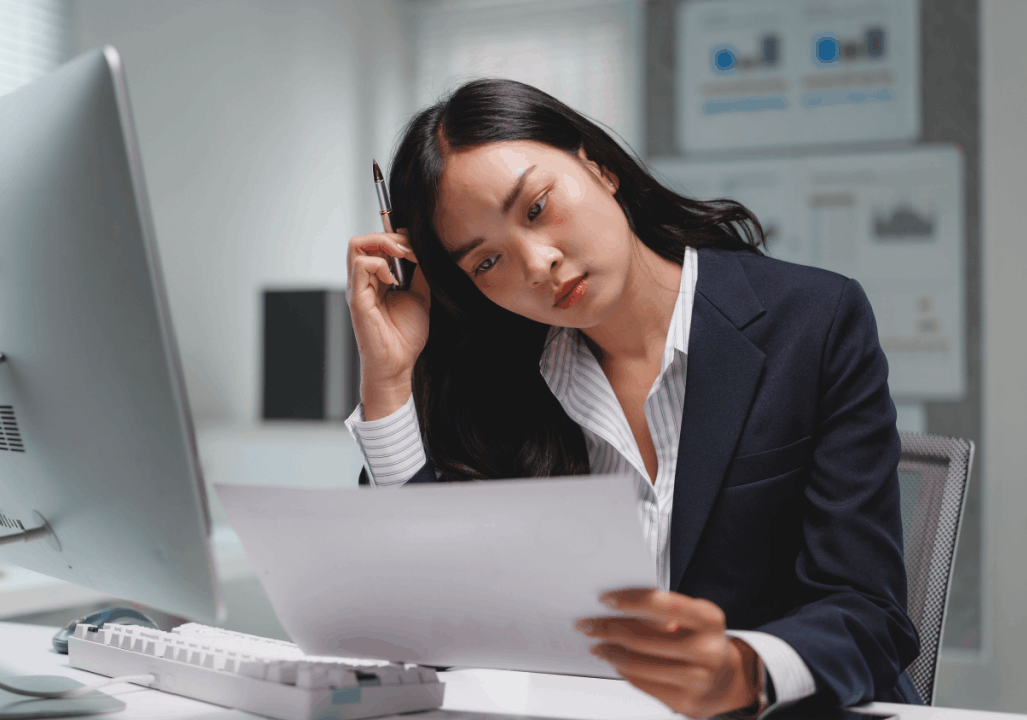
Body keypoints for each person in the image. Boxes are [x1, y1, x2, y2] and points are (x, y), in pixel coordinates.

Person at [343, 78, 920, 719]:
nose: (536, 264)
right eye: (486, 262)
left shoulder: (814, 321)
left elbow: (870, 614)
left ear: (599, 167)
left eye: (536, 208)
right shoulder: (499, 379)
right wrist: (388, 383)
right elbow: (428, 620)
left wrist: (742, 670)